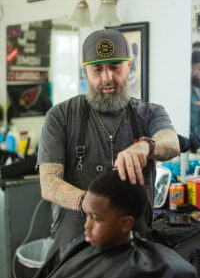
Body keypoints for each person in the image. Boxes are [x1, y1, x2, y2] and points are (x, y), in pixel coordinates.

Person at [37, 28, 180, 256]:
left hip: (136, 245)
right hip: (74, 247)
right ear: (86, 72)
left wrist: (146, 146)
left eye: (115, 67)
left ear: (129, 67)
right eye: (97, 69)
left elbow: (171, 142)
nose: (107, 78)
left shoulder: (150, 112)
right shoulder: (60, 116)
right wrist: (89, 203)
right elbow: (49, 183)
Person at [32, 170, 198, 278]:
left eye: (96, 218)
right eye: (87, 215)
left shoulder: (165, 269)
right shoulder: (72, 251)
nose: (87, 226)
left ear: (126, 223)